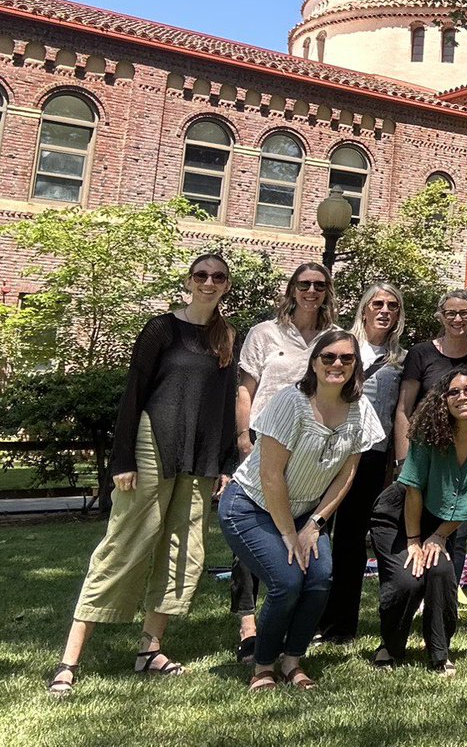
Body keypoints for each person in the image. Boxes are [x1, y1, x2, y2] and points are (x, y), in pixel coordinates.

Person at [48, 255, 238, 697]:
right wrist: (122, 461)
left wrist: (224, 464)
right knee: (125, 544)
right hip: (153, 445)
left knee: (183, 551)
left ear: (226, 285)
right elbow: (134, 393)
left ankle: (150, 650)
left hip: (198, 456)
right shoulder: (161, 329)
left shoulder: (227, 335)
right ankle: (68, 660)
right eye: (201, 275)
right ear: (189, 280)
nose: (209, 283)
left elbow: (224, 404)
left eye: (218, 277)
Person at [219, 331, 384, 691]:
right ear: (314, 362)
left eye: (346, 358)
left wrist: (315, 524)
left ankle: (292, 661)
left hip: (305, 514)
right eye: (328, 357)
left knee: (320, 579)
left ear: (356, 365)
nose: (337, 364)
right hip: (250, 506)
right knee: (287, 581)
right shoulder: (290, 402)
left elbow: (347, 474)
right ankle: (263, 666)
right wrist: (289, 534)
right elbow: (270, 474)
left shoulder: (360, 410)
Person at [369, 370, 467, 674]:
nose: (462, 397)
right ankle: (390, 646)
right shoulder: (427, 433)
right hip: (399, 517)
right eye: (453, 392)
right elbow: (413, 488)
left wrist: (439, 536)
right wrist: (414, 541)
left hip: (440, 524)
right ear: (443, 400)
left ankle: (439, 653)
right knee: (408, 580)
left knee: (442, 573)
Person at [231, 261, 338, 662]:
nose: (311, 291)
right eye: (304, 284)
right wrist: (243, 437)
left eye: (319, 285)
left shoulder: (331, 337)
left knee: (299, 530)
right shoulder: (264, 333)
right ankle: (248, 627)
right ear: (291, 290)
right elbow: (246, 389)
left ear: (327, 292)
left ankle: (293, 622)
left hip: (311, 448)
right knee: (251, 536)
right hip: (263, 440)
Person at [315, 283, 406, 644]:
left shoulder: (401, 359)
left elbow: (400, 411)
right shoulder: (338, 344)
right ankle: (310, 617)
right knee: (316, 532)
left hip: (370, 457)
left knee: (351, 541)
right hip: (326, 450)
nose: (384, 310)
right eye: (377, 303)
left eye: (393, 306)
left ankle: (340, 626)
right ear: (364, 308)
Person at [396, 288, 467, 588]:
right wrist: (403, 459)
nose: (457, 319)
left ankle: (443, 594)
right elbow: (404, 409)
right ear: (440, 316)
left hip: (462, 458)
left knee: (457, 532)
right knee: (416, 524)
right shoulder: (421, 353)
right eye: (450, 313)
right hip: (425, 456)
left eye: (464, 312)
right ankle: (413, 588)